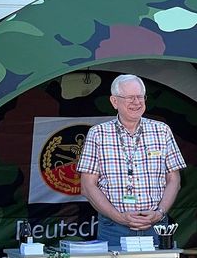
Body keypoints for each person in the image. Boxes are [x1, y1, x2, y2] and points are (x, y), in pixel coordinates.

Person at [77, 74, 186, 247]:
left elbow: (174, 180)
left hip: (156, 226)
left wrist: (159, 213)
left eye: (140, 96)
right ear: (114, 101)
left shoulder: (162, 131)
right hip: (114, 227)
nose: (136, 102)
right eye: (129, 97)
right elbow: (87, 186)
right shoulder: (98, 134)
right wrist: (118, 216)